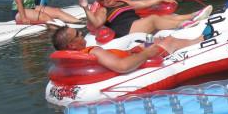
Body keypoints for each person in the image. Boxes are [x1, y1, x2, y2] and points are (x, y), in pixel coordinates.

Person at [81, 0, 212, 38]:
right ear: (100, 1)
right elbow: (97, 23)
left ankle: (193, 15)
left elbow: (142, 3)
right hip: (126, 30)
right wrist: (86, 8)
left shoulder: (123, 2)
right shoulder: (104, 10)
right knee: (153, 19)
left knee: (163, 17)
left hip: (137, 24)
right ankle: (182, 25)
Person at [52, 27, 203, 74]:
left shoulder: (78, 55)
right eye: (77, 34)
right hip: (137, 57)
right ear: (71, 46)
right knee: (170, 41)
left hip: (133, 52)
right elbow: (122, 66)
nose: (80, 33)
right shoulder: (93, 51)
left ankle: (162, 37)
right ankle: (199, 40)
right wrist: (146, 54)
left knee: (152, 37)